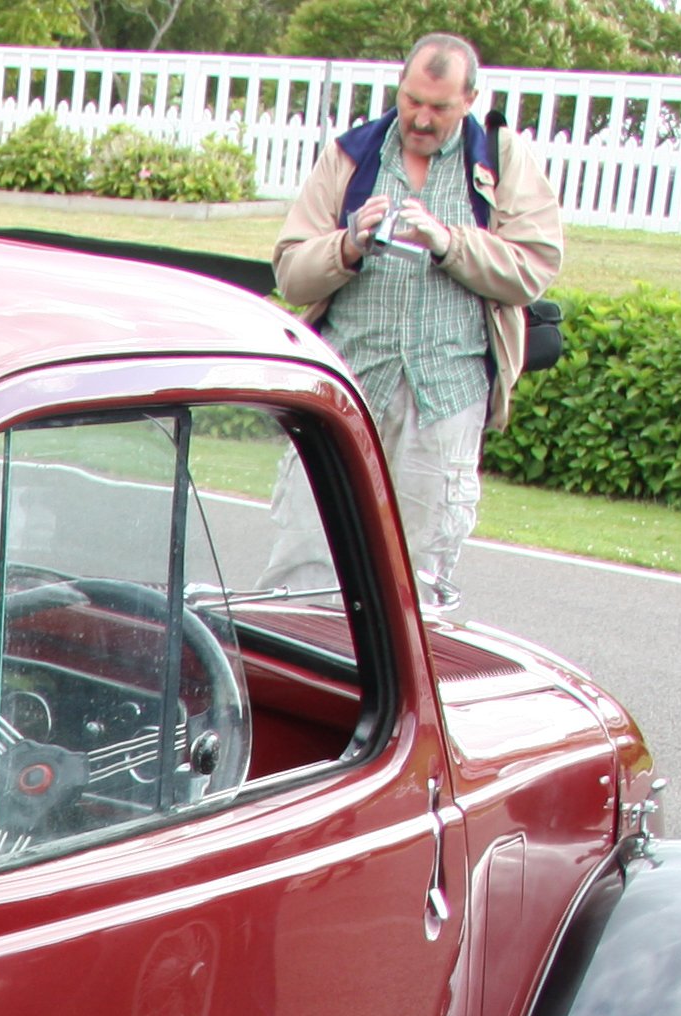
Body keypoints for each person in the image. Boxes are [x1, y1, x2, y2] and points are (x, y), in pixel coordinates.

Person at [269, 33, 561, 615]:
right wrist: (348, 244)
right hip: (345, 391)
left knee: (417, 586)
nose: (421, 119)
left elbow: (534, 266)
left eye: (440, 107)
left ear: (470, 99)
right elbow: (291, 273)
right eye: (412, 101)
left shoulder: (501, 160)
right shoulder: (351, 156)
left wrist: (449, 242)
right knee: (304, 567)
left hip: (445, 398)